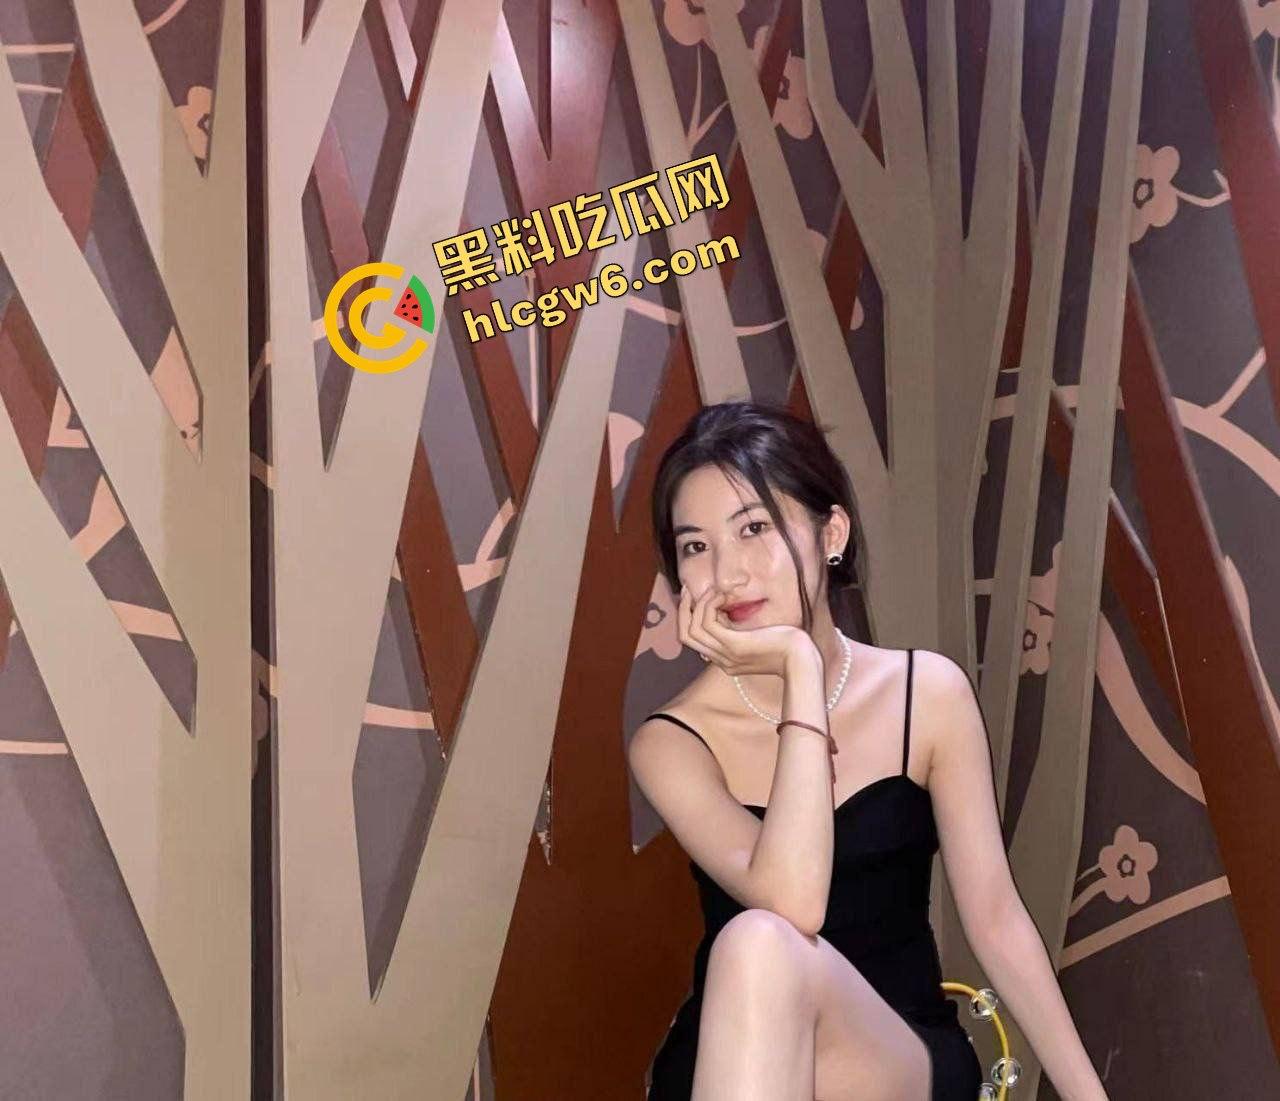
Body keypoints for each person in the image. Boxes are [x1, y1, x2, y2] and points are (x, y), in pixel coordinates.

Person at [627, 402, 1109, 1100]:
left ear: (832, 533)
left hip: (897, 1060)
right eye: (695, 547)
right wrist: (798, 669)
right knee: (761, 942)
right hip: (742, 1063)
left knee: (759, 941)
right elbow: (794, 901)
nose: (726, 573)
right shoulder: (671, 742)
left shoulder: (927, 695)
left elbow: (996, 919)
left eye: (754, 528)